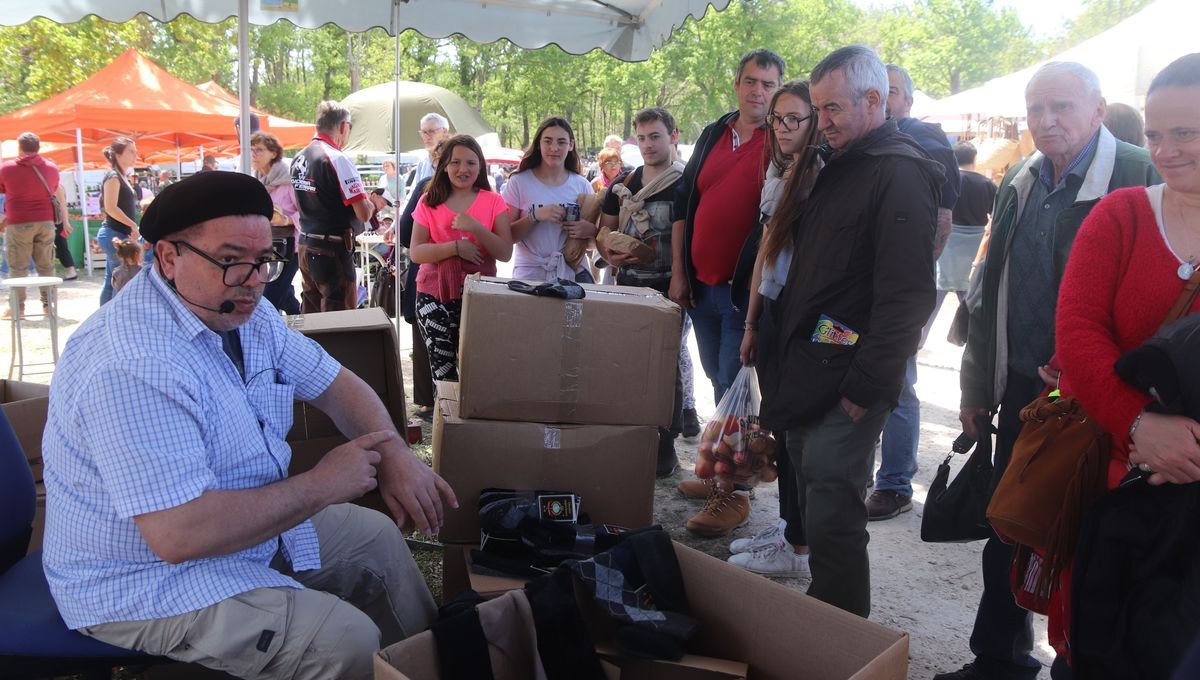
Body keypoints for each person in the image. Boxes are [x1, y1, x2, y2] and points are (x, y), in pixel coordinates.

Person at [41, 171, 455, 680]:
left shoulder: (239, 308)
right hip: (141, 580)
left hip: (239, 530)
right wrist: (321, 485)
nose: (256, 279)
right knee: (342, 641)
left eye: (264, 260)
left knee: (376, 542)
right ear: (169, 258)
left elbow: (336, 384)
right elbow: (180, 536)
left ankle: (429, 668)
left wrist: (392, 451)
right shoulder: (133, 362)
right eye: (231, 259)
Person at [940, 61, 1160, 680]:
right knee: (1009, 529)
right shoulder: (1020, 179)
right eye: (1037, 109)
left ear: (1098, 108)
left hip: (1105, 403)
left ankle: (1076, 663)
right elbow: (988, 297)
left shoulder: (1141, 175)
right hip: (1022, 392)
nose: (1046, 121)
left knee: (1090, 545)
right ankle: (999, 661)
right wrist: (977, 386)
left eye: (1061, 107)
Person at [758, 45, 940, 618]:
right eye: (819, 109)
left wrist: (867, 386)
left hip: (847, 379)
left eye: (832, 108)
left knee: (834, 512)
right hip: (809, 369)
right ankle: (825, 621)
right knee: (816, 498)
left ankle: (839, 638)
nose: (823, 121)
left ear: (873, 100)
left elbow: (907, 296)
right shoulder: (841, 162)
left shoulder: (901, 172)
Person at [1050, 52, 1200, 678]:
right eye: (1156, 134)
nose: (1165, 150)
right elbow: (1077, 338)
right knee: (1099, 650)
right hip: (1117, 489)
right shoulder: (1121, 215)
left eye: (1185, 132)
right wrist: (1141, 425)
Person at [712, 80, 822, 571]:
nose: (782, 128)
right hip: (775, 313)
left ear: (815, 121)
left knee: (794, 433)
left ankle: (798, 546)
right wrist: (753, 321)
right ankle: (789, 530)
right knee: (778, 427)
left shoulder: (819, 176)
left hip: (805, 320)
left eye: (794, 118)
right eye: (778, 118)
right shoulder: (781, 173)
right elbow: (764, 255)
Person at [867, 63, 962, 522]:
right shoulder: (853, 142)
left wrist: (909, 284)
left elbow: (941, 225)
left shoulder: (926, 140)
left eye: (893, 92)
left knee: (897, 385)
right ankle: (858, 473)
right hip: (851, 302)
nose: (884, 99)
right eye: (876, 91)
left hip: (895, 300)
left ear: (907, 100)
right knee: (848, 373)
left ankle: (895, 484)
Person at [672, 49, 785, 404]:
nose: (758, 91)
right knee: (714, 374)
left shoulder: (783, 142)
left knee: (733, 375)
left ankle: (732, 452)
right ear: (737, 84)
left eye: (768, 84)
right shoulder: (712, 133)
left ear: (778, 91)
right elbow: (683, 200)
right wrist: (679, 271)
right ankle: (727, 449)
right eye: (750, 81)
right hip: (699, 287)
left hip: (743, 292)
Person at [597, 106, 687, 479]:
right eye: (643, 137)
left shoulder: (684, 182)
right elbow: (604, 232)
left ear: (673, 137)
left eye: (656, 136)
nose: (649, 145)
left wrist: (680, 281)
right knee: (630, 364)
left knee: (666, 368)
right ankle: (635, 442)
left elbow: (685, 238)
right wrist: (609, 251)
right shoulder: (625, 183)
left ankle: (666, 447)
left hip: (667, 288)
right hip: (630, 287)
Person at [410, 135, 512, 381]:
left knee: (479, 372)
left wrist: (475, 227)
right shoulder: (429, 200)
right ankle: (446, 420)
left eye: (471, 163)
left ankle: (473, 418)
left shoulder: (494, 201)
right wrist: (455, 247)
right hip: (434, 296)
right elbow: (416, 252)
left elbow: (505, 252)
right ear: (445, 165)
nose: (463, 169)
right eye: (456, 162)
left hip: (481, 296)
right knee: (443, 373)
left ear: (480, 167)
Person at [291, 100, 376, 313]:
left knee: (310, 315)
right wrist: (372, 203)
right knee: (340, 319)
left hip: (306, 244)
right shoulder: (337, 158)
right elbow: (364, 213)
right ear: (343, 126)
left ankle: (310, 348)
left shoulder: (299, 157)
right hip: (331, 249)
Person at [501, 116, 597, 282]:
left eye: (561, 142)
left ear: (571, 145)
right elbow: (506, 237)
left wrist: (589, 231)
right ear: (539, 144)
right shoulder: (519, 182)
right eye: (548, 141)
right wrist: (534, 216)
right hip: (530, 274)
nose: (554, 148)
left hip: (572, 273)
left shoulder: (582, 185)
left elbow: (593, 243)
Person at [398, 141, 446, 423]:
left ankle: (429, 401)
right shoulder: (427, 189)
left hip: (432, 276)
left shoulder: (428, 186)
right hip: (429, 275)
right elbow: (406, 234)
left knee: (426, 336)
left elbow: (405, 233)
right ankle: (431, 402)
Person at [0, 132, 68, 318]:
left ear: (19, 147)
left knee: (18, 267)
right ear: (39, 147)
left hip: (18, 222)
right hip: (45, 222)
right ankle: (48, 306)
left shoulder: (6, 169)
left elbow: (2, 189)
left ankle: (17, 308)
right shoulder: (52, 169)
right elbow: (54, 189)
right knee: (46, 265)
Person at [937, 142, 996, 313]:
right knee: (969, 298)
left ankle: (919, 339)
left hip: (947, 243)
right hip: (975, 247)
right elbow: (995, 216)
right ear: (975, 158)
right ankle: (970, 336)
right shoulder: (988, 184)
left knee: (933, 300)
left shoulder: (946, 180)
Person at [251, 131, 302, 315]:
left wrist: (285, 219)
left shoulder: (287, 181)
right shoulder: (258, 180)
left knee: (269, 299)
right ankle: (303, 331)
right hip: (267, 247)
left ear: (273, 153)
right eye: (252, 150)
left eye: (259, 150)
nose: (254, 154)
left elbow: (305, 213)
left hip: (289, 248)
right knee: (286, 298)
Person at [97, 137, 141, 305]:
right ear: (118, 154)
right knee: (121, 281)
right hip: (113, 234)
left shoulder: (121, 176)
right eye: (131, 151)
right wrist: (132, 224)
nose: (135, 155)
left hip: (117, 234)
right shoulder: (113, 176)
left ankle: (103, 320)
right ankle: (111, 318)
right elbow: (110, 207)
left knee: (112, 280)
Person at [410, 113, 450, 187]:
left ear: (444, 132)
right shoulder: (422, 164)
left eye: (431, 131)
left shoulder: (453, 160)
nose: (426, 137)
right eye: (423, 132)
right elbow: (415, 194)